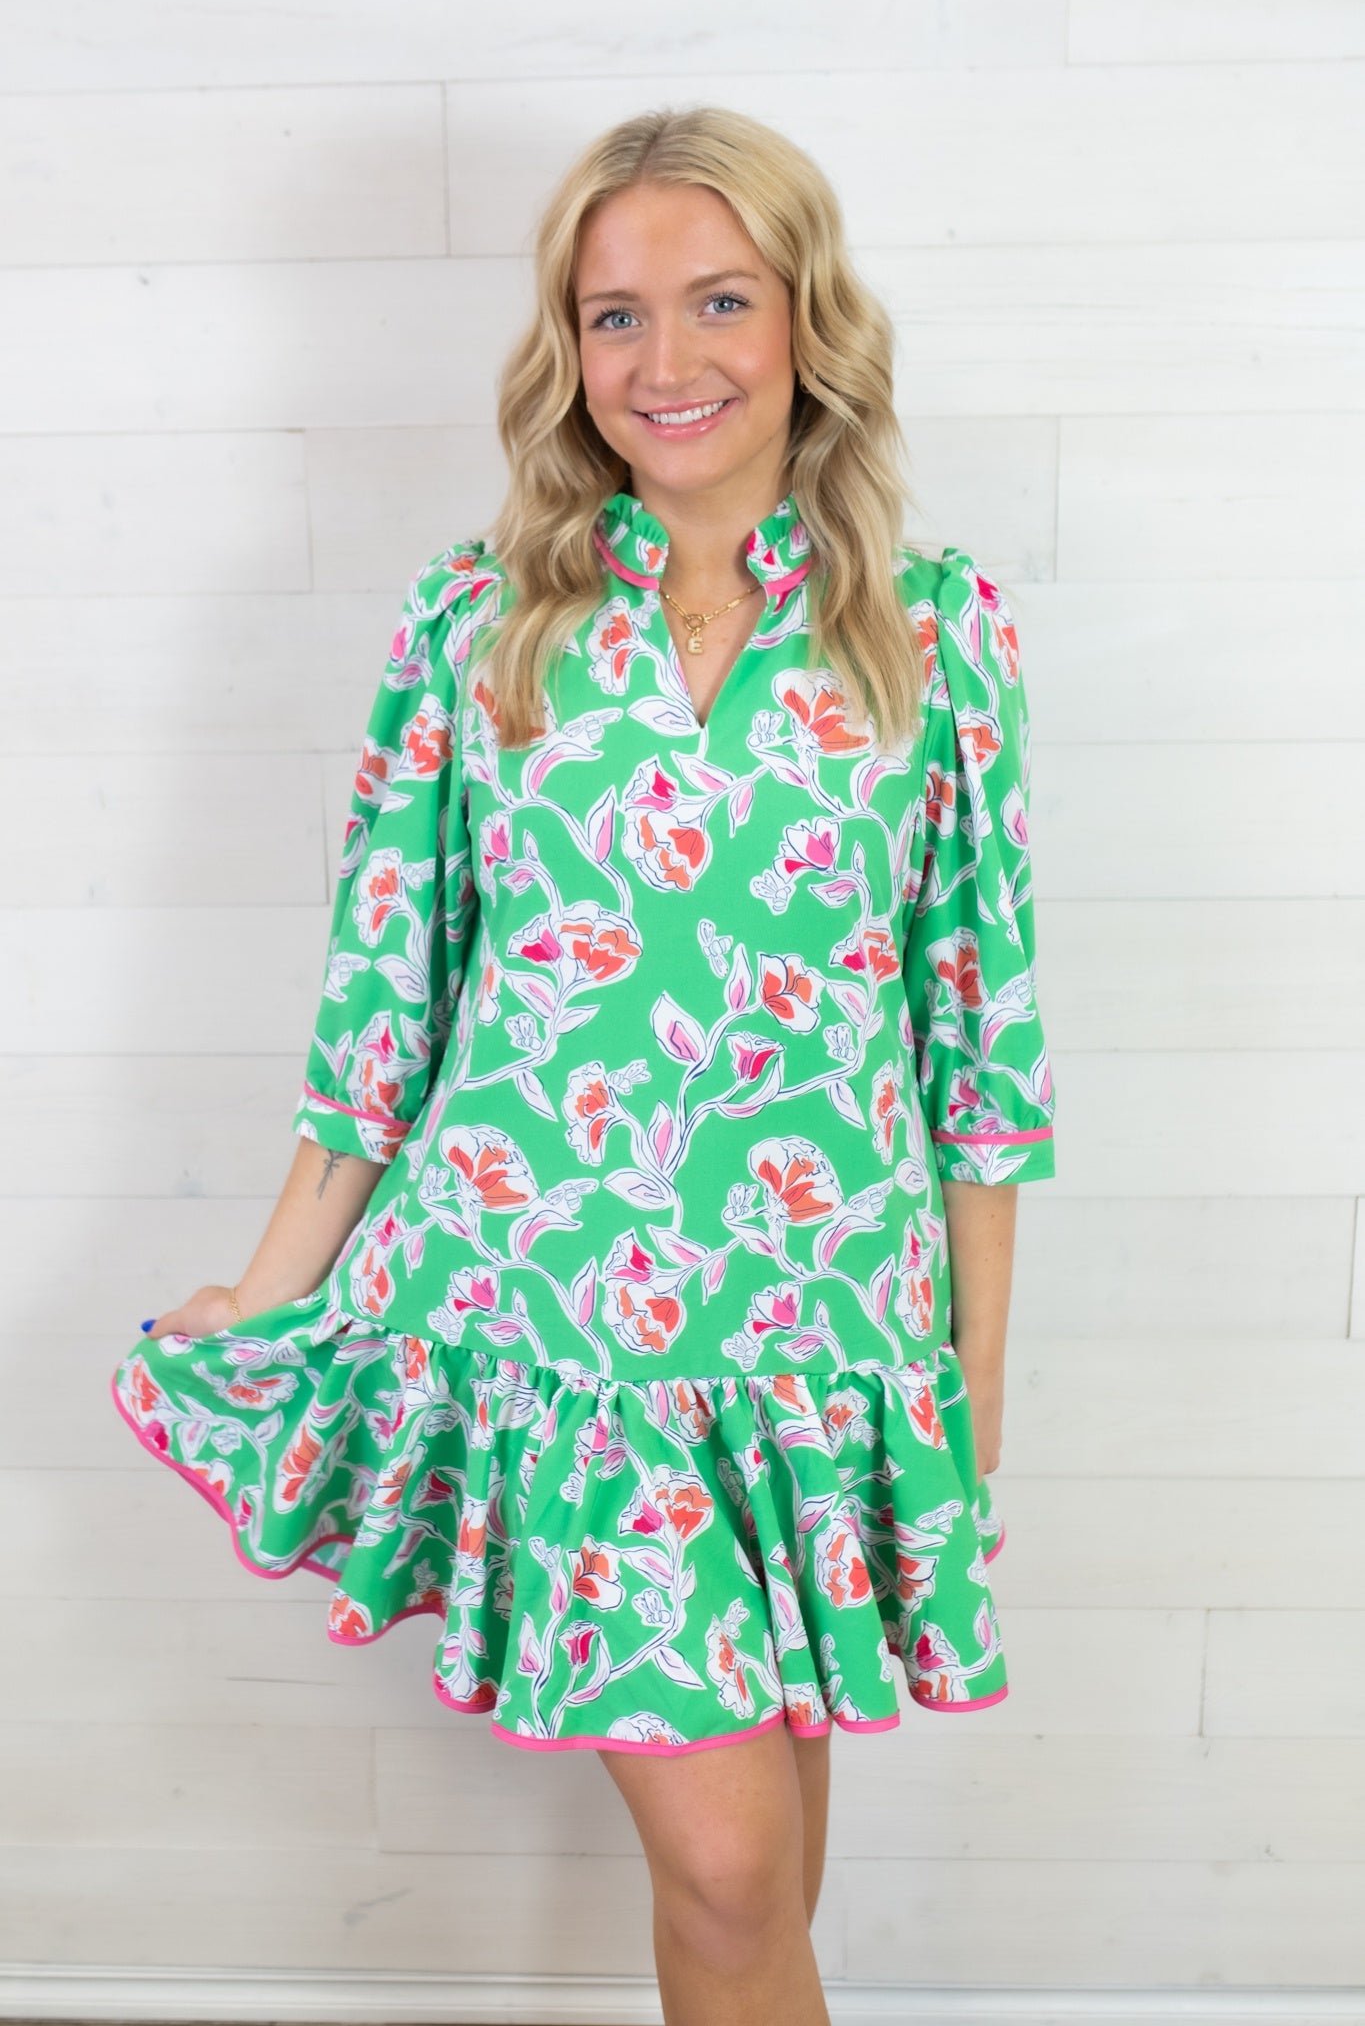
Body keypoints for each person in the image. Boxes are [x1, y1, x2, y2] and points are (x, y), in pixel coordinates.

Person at [111, 104, 1056, 2026]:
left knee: (759, 1886)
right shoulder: (479, 626)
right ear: (566, 348)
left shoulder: (933, 631)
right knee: (727, 1866)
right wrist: (269, 1292)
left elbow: (982, 1043)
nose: (664, 358)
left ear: (806, 320)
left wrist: (965, 1387)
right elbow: (381, 1010)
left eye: (718, 300)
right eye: (612, 314)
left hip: (821, 1349)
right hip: (562, 1343)